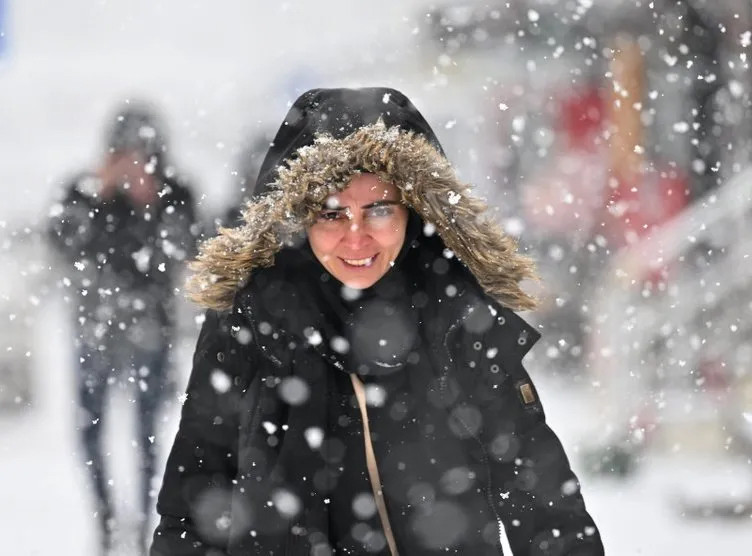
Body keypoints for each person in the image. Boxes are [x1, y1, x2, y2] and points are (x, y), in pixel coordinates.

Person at [151, 88, 604, 555]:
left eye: (379, 210)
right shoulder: (249, 324)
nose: (356, 236)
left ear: (416, 210)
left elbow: (544, 502)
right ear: (297, 219)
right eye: (331, 213)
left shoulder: (457, 317)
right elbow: (195, 501)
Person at [48, 100, 199, 555]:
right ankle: (106, 517)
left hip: (151, 327)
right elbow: (60, 241)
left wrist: (150, 205)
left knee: (149, 432)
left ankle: (147, 521)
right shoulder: (82, 189)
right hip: (94, 328)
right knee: (90, 430)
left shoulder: (174, 192)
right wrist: (99, 194)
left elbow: (185, 250)